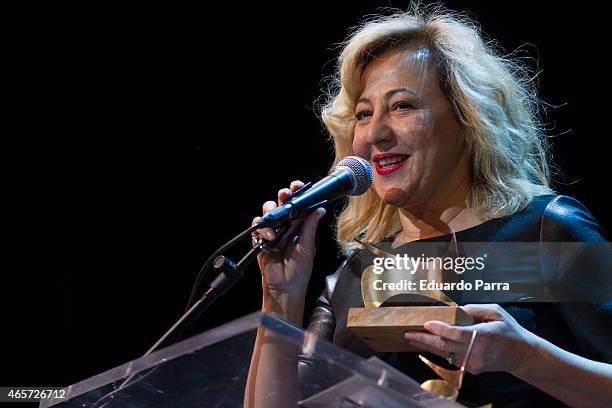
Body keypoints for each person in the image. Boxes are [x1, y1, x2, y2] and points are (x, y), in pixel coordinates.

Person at [244, 5, 612, 407]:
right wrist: (280, 296)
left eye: (402, 106)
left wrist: (524, 357)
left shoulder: (546, 230)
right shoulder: (356, 274)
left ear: (468, 118)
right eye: (364, 114)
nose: (376, 134)